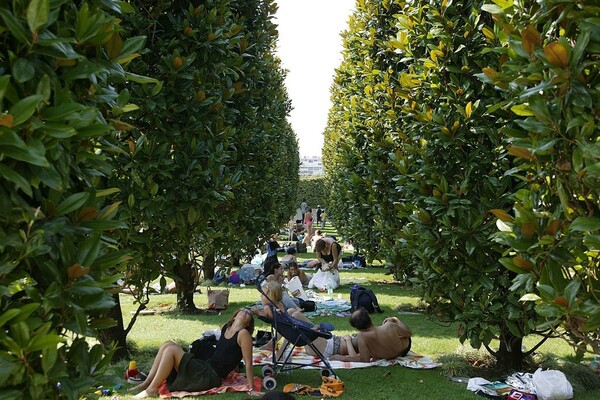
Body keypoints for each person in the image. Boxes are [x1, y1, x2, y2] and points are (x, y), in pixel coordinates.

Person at [130, 309, 257, 398]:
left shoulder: (243, 334)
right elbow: (228, 350)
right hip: (206, 366)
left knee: (171, 350)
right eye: (243, 310)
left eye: (249, 314)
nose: (246, 312)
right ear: (234, 316)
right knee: (167, 344)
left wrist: (251, 389)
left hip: (211, 376)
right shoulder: (225, 328)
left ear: (248, 323)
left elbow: (249, 363)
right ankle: (147, 383)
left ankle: (151, 389)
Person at [329, 307, 412, 363]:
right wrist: (395, 319)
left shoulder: (363, 336)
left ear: (358, 328)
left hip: (391, 354)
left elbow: (365, 360)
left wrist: (343, 358)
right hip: (404, 349)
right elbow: (409, 333)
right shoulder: (390, 325)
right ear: (369, 318)